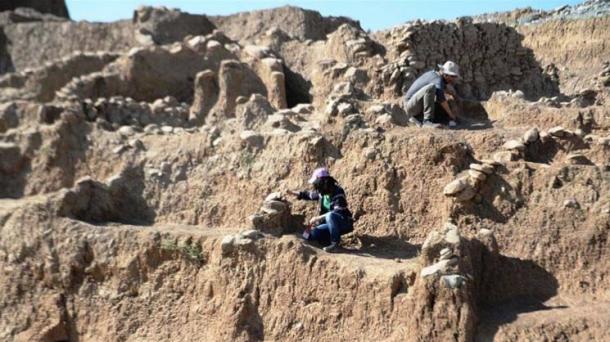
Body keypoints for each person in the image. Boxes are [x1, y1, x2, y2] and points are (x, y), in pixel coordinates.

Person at [289, 167, 353, 252]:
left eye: (315, 182)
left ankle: (334, 244)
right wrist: (292, 193)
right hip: (330, 225)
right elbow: (308, 195)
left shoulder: (338, 191)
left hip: (344, 223)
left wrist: (317, 218)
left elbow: (337, 211)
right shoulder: (322, 193)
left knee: (330, 215)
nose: (314, 185)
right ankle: (327, 241)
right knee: (312, 235)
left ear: (321, 182)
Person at [403, 61, 460, 129]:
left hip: (415, 105)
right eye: (453, 76)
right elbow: (441, 98)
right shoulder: (437, 80)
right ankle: (427, 122)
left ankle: (418, 118)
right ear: (446, 75)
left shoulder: (435, 76)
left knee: (438, 106)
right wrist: (451, 115)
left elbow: (444, 89)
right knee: (431, 88)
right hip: (411, 106)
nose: (454, 79)